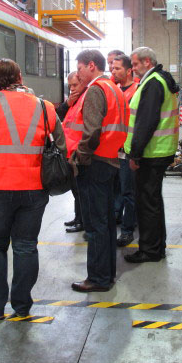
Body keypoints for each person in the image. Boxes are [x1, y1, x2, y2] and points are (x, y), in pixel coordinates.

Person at [0, 59, 66, 319]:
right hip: (33, 190)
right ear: (20, 76)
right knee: (25, 246)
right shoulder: (45, 108)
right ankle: (22, 307)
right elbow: (62, 148)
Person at [69, 49, 128, 292]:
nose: (78, 74)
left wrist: (80, 157)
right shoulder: (114, 88)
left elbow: (91, 131)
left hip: (94, 164)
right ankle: (107, 275)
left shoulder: (95, 90)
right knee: (104, 224)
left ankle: (97, 278)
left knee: (95, 226)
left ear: (91, 65)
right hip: (110, 160)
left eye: (80, 68)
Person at [124, 47, 179, 263]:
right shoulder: (156, 80)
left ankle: (150, 250)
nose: (133, 68)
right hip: (157, 151)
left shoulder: (153, 82)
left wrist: (135, 155)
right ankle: (156, 247)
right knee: (152, 201)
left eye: (135, 64)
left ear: (147, 61)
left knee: (147, 203)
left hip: (151, 153)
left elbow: (145, 123)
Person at [111, 54, 139, 247]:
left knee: (129, 192)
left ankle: (128, 231)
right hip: (115, 149)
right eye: (112, 68)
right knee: (117, 191)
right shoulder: (115, 89)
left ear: (129, 70)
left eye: (117, 68)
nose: (113, 72)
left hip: (128, 149)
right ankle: (118, 222)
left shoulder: (137, 90)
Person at [58, 71, 85, 233]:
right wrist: (68, 103)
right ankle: (77, 217)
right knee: (75, 190)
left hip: (79, 152)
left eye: (75, 85)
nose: (73, 89)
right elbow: (59, 115)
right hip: (69, 152)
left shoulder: (86, 99)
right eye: (70, 86)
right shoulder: (72, 102)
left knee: (80, 190)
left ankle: (82, 221)